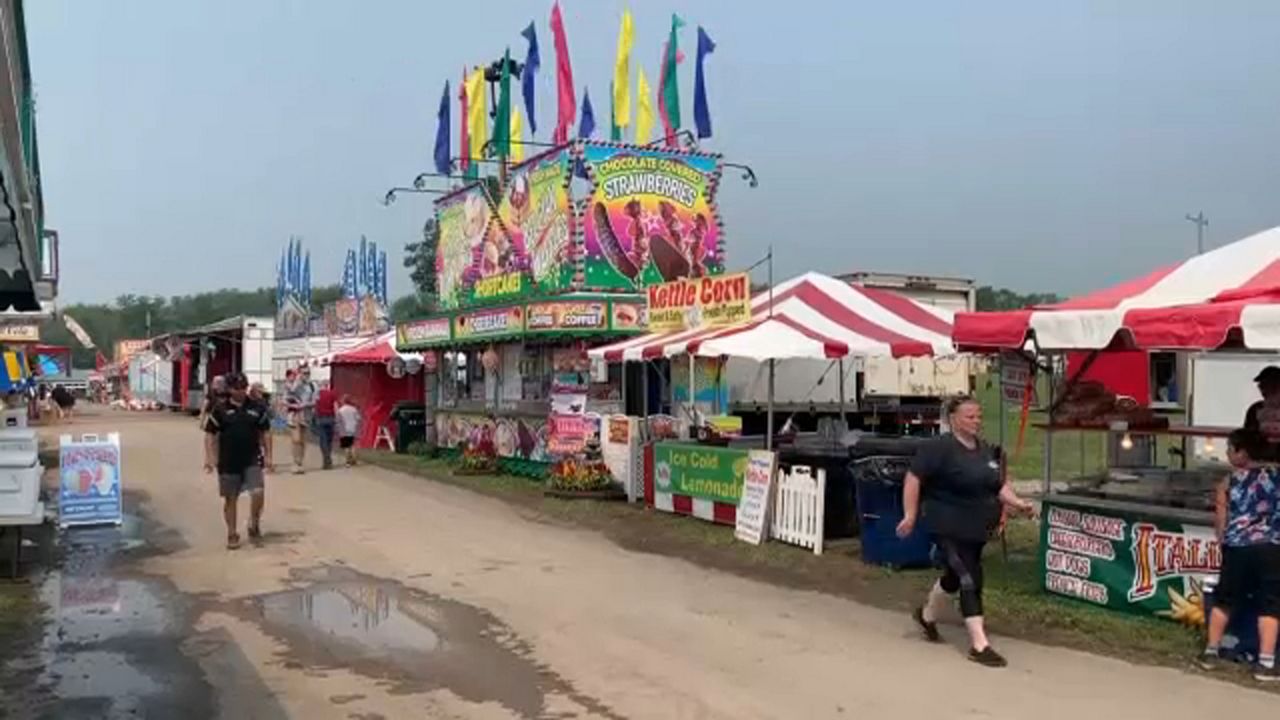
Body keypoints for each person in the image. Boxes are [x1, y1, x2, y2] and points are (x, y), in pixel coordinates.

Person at [898, 395, 1036, 667]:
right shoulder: (939, 448)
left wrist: (1018, 503)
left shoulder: (983, 450)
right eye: (970, 417)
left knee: (954, 576)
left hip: (974, 527)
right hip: (945, 523)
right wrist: (910, 515)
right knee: (969, 578)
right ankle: (979, 645)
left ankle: (926, 617)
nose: (976, 421)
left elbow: (996, 485)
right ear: (954, 419)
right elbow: (913, 478)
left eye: (979, 416)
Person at [1200, 428, 1280, 681]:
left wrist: (1223, 540)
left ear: (1242, 453)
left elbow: (1221, 521)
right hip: (1271, 547)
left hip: (1237, 547)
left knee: (1225, 599)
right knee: (1271, 603)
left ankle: (1211, 652)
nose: (1227, 454)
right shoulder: (1277, 475)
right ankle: (1265, 663)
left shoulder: (1227, 482)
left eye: (1230, 449)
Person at [202, 373, 270, 549]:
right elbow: (210, 434)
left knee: (258, 492)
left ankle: (254, 522)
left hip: (252, 458)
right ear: (229, 389)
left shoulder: (257, 407)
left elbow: (265, 432)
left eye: (243, 387)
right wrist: (210, 458)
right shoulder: (220, 409)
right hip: (228, 460)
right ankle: (232, 533)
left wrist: (269, 456)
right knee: (230, 499)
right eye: (236, 388)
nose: (240, 391)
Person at [284, 367, 316, 474]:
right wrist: (293, 405)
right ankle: (295, 463)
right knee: (296, 439)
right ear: (299, 374)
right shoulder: (293, 384)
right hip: (294, 414)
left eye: (308, 373)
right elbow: (287, 397)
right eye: (304, 373)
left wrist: (305, 404)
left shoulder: (313, 386)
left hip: (306, 414)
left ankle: (300, 462)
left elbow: (315, 401)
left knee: (302, 440)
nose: (306, 375)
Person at [249, 382, 275, 472]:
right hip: (252, 425)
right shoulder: (248, 400)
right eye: (258, 391)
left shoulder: (265, 400)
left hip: (264, 424)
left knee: (267, 442)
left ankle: (269, 461)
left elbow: (272, 415)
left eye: (261, 391)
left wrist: (267, 405)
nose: (260, 394)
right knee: (257, 444)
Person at [314, 381, 337, 469]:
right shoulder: (332, 394)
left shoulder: (318, 395)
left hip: (321, 418)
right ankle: (328, 458)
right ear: (327, 385)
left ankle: (326, 459)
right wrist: (337, 418)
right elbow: (335, 406)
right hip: (331, 418)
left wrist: (315, 417)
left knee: (323, 440)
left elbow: (315, 407)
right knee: (329, 440)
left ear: (320, 385)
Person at [336, 395, 361, 467]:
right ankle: (354, 460)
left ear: (343, 401)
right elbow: (358, 419)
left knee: (346, 446)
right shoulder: (354, 409)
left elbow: (338, 421)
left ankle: (348, 462)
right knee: (352, 445)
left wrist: (338, 430)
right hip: (353, 429)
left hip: (344, 430)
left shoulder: (340, 410)